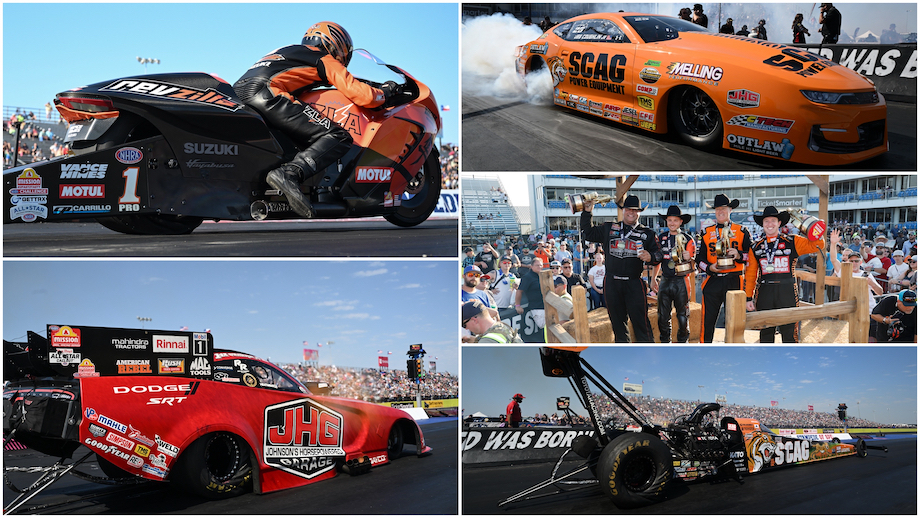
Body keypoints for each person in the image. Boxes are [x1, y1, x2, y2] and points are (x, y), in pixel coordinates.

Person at [234, 22, 399, 218]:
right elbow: (363, 96)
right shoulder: (323, 57)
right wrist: (385, 93)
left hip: (239, 93)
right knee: (338, 136)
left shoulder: (290, 51)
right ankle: (290, 173)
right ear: (336, 44)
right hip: (267, 92)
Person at [580, 194, 662, 342]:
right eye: (628, 209)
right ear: (623, 210)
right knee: (618, 327)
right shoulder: (608, 228)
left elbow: (660, 254)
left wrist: (651, 256)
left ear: (640, 212)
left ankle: (650, 356)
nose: (632, 212)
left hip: (634, 283)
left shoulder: (647, 233)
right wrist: (587, 212)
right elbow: (588, 233)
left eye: (635, 210)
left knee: (641, 325)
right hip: (612, 283)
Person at [744, 207, 825, 343]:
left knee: (789, 334)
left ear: (779, 223)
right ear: (762, 224)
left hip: (787, 291)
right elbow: (751, 274)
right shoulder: (755, 247)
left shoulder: (792, 241)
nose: (770, 224)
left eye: (773, 221)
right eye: (766, 221)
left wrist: (808, 224)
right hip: (764, 292)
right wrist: (748, 298)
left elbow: (819, 244)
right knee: (766, 334)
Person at [696, 194, 753, 343]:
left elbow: (753, 258)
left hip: (735, 281)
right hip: (713, 280)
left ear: (730, 210)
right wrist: (709, 268)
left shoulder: (742, 230)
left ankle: (734, 350)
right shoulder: (705, 232)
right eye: (717, 209)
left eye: (724, 208)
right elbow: (698, 260)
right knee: (707, 321)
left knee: (734, 322)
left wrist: (740, 255)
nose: (720, 211)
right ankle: (704, 347)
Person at [651, 206, 696, 343]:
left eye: (675, 220)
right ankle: (666, 343)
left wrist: (690, 258)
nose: (672, 223)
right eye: (669, 220)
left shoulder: (688, 239)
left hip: (681, 281)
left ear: (681, 222)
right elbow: (657, 261)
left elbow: (694, 266)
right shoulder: (660, 237)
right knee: (662, 317)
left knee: (682, 317)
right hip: (665, 280)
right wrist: (654, 279)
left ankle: (683, 342)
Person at [514, 257, 546, 335]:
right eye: (537, 265)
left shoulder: (543, 275)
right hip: (537, 308)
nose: (539, 267)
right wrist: (517, 305)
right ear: (531, 266)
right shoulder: (527, 277)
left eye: (541, 265)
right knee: (545, 328)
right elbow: (519, 291)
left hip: (546, 306)